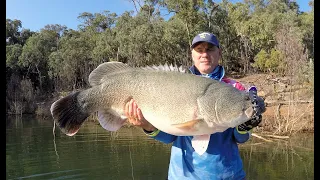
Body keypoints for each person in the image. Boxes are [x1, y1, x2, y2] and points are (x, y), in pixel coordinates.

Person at [124, 32, 264, 180]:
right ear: (192, 54)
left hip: (229, 176)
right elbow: (170, 137)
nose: (204, 54)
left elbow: (241, 138)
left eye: (209, 49)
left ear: (219, 52)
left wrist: (245, 127)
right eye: (199, 50)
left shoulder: (236, 88)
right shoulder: (175, 84)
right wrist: (148, 126)